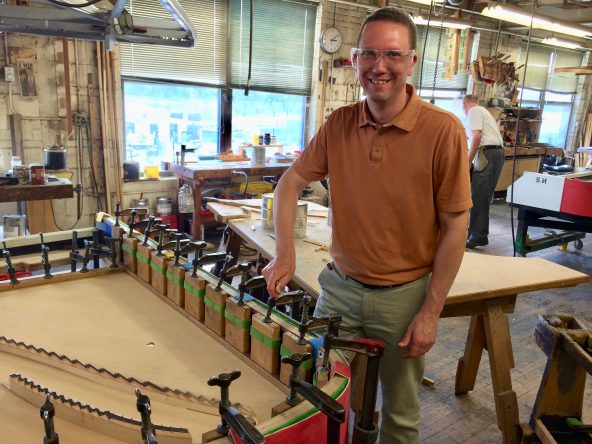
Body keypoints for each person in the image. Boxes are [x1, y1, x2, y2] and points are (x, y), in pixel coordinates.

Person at [262, 7, 471, 443]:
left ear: (411, 62)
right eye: (370, 55)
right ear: (355, 60)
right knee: (317, 397)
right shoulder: (339, 124)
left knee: (400, 414)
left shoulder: (443, 130)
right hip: (340, 289)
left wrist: (431, 310)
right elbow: (289, 183)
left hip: (405, 297)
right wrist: (285, 251)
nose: (380, 67)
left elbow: (456, 226)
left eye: (393, 55)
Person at [462, 94, 504, 249]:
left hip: (487, 154)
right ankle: (478, 233)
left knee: (478, 196)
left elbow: (477, 137)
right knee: (482, 196)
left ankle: (478, 235)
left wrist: (467, 162)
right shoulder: (483, 111)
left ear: (464, 105)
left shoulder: (473, 111)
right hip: (495, 154)